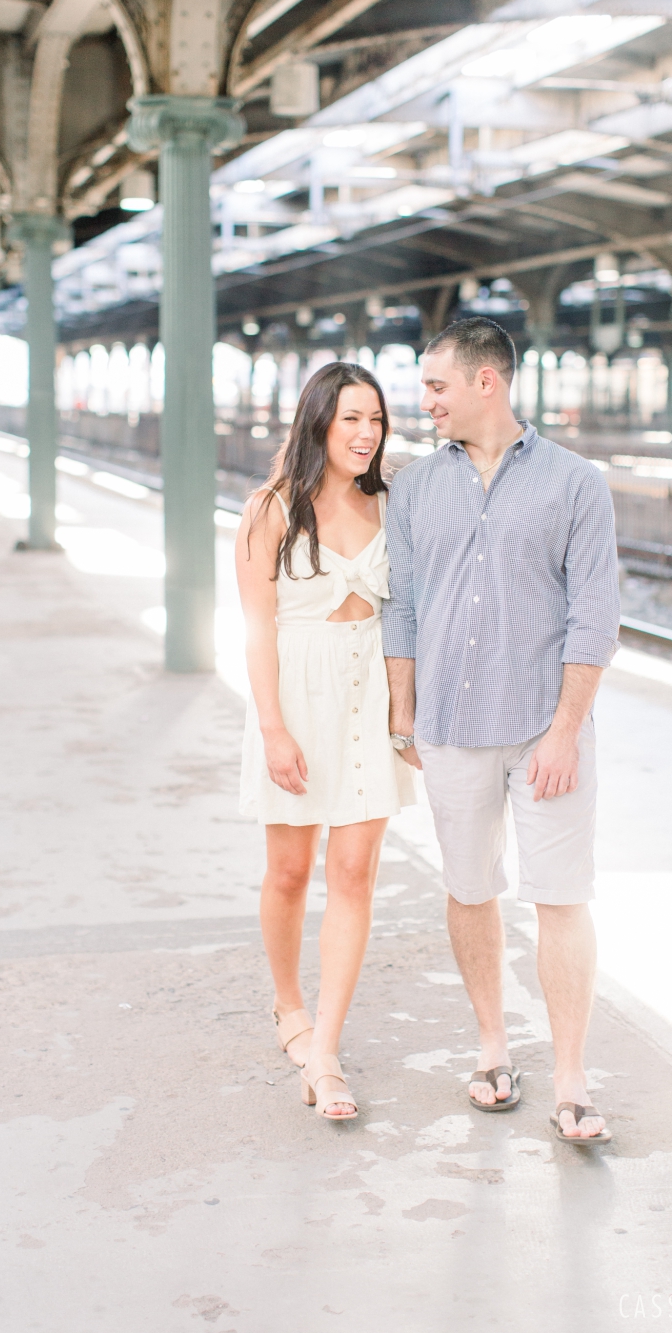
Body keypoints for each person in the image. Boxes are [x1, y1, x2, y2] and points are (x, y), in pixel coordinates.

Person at [383, 317, 619, 1144]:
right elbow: (401, 605)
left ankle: (572, 1077)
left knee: (561, 896)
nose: (426, 401)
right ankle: (491, 1048)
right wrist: (402, 705)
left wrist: (566, 731)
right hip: (450, 722)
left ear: (488, 382)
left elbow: (595, 619)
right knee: (470, 887)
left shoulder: (575, 483)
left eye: (436, 386)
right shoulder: (414, 488)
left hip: (545, 730)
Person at [237, 361, 415, 1121]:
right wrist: (273, 728)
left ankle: (327, 1052)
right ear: (317, 421)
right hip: (297, 698)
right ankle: (288, 1006)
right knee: (289, 871)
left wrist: (406, 711)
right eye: (351, 418)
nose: (366, 433)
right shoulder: (270, 508)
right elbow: (254, 629)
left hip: (367, 692)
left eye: (375, 418)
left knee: (354, 872)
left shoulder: (394, 503)